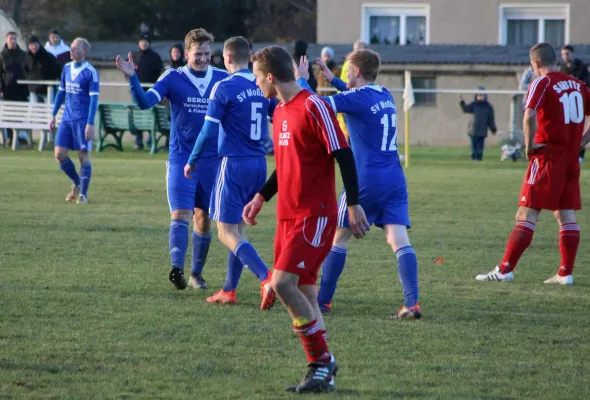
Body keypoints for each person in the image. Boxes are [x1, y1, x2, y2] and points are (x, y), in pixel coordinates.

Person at [244, 45, 369, 393]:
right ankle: (323, 373)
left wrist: (354, 204)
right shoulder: (280, 112)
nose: (255, 84)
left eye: (256, 77)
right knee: (306, 292)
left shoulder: (314, 106)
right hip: (287, 216)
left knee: (283, 284)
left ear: (270, 76)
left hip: (314, 216)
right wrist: (261, 196)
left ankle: (321, 361)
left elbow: (343, 154)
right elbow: (287, 166)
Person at [295, 49, 421, 319]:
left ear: (356, 72)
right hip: (395, 178)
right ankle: (411, 303)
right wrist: (334, 80)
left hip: (366, 178)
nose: (343, 75)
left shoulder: (357, 98)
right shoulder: (384, 93)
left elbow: (315, 105)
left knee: (339, 236)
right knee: (399, 239)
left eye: (346, 71)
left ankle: (324, 301)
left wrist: (304, 81)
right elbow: (356, 97)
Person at [116, 29, 228, 290]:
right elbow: (145, 103)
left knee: (204, 216)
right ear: (186, 53)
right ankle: (176, 269)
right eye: (197, 54)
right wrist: (133, 79)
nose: (202, 59)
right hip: (181, 158)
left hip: (212, 161)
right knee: (180, 213)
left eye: (207, 54)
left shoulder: (223, 78)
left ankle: (196, 274)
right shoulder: (172, 77)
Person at [476, 42, 590, 285]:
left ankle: (505, 269)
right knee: (565, 214)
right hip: (571, 160)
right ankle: (565, 273)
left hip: (547, 157)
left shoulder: (542, 82)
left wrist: (528, 145)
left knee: (526, 213)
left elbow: (528, 115)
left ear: (535, 64)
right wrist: (581, 141)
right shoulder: (579, 85)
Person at [184, 36, 274, 309]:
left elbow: (208, 130)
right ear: (249, 57)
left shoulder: (223, 87)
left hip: (233, 163)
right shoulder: (261, 86)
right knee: (239, 230)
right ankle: (228, 290)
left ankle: (266, 277)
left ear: (225, 58)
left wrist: (192, 159)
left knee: (225, 232)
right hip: (259, 164)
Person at [49, 38, 99, 204]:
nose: (72, 50)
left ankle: (83, 194)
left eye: (76, 48)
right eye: (71, 48)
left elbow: (93, 100)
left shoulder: (90, 72)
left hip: (82, 120)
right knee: (59, 154)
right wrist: (53, 115)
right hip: (67, 119)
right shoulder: (67, 68)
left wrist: (90, 123)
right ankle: (77, 183)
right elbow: (61, 93)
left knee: (83, 157)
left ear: (85, 52)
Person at [132, 34, 164, 151]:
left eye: (146, 41)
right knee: (138, 116)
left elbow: (160, 72)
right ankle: (138, 142)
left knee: (152, 116)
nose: (144, 43)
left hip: (151, 90)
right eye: (141, 41)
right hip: (137, 90)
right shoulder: (134, 56)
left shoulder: (155, 57)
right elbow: (127, 72)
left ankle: (151, 142)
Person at [560, 45, 590, 162]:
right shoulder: (563, 68)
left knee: (578, 129)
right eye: (563, 54)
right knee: (567, 129)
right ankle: (568, 152)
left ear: (572, 54)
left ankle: (580, 154)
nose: (565, 56)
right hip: (567, 102)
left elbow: (586, 82)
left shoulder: (580, 67)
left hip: (579, 101)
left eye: (567, 54)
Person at [337, 41, 367, 139]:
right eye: (355, 49)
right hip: (349, 99)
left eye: (359, 49)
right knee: (350, 130)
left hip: (361, 100)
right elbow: (342, 81)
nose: (356, 51)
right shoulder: (348, 64)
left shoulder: (367, 65)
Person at [458, 88, 497, 160]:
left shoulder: (488, 106)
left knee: (480, 147)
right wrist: (461, 101)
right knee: (474, 147)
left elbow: (490, 119)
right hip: (473, 130)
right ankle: (474, 159)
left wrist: (493, 128)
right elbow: (465, 109)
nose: (481, 96)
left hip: (482, 131)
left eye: (482, 95)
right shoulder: (474, 104)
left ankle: (479, 158)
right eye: (479, 95)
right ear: (476, 95)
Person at [24, 36, 58, 103]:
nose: (33, 47)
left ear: (38, 44)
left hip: (47, 90)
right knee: (34, 111)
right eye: (31, 45)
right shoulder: (27, 57)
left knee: (48, 110)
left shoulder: (48, 57)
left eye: (35, 44)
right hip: (33, 90)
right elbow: (24, 70)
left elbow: (57, 69)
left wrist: (51, 81)